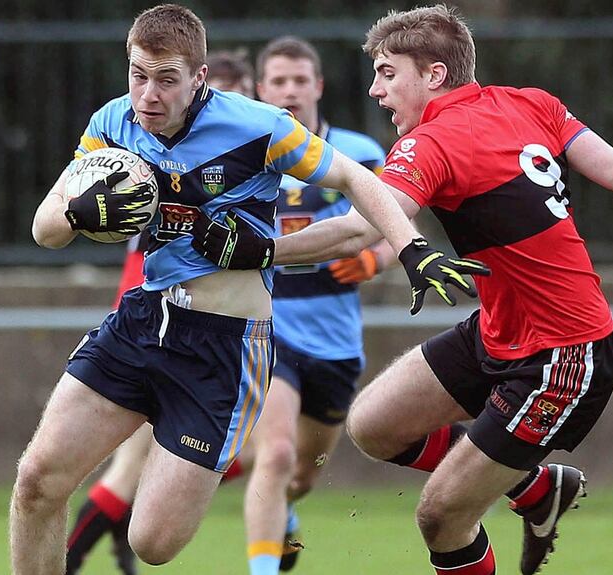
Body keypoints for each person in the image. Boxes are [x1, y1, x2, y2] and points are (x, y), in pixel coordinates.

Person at [191, 6, 613, 575]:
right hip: (500, 328)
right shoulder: (532, 102)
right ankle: (535, 490)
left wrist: (261, 250)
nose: (376, 90)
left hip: (564, 355)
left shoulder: (431, 142)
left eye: (387, 73)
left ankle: (527, 493)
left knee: (440, 518)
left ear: (434, 74)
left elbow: (361, 226)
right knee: (374, 425)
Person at [11, 5, 482, 574]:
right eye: (139, 75)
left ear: (199, 77)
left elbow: (355, 179)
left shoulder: (258, 126)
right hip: (143, 322)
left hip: (224, 349)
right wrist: (83, 212)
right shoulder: (114, 123)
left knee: (152, 544)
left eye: (167, 79)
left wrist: (409, 247)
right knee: (37, 480)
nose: (149, 96)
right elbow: (46, 229)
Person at [63, 49, 257, 575]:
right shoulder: (143, 149)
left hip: (228, 328)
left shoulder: (248, 149)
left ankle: (121, 539)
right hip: (161, 316)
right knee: (127, 467)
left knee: (251, 457)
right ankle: (73, 556)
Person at [242, 36, 393, 575]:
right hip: (268, 332)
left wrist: (374, 261)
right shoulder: (242, 156)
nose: (289, 91)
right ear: (261, 89)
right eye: (278, 81)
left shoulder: (360, 154)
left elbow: (398, 232)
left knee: (302, 474)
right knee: (276, 454)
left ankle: (282, 520)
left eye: (299, 80)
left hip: (336, 342)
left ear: (318, 87)